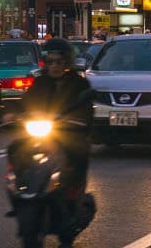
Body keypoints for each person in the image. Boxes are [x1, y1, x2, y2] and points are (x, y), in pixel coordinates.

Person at [16, 37, 96, 209]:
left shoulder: (79, 83)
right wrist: (12, 114)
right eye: (50, 62)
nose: (55, 66)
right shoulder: (40, 82)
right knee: (16, 148)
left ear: (67, 62)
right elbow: (26, 101)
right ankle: (18, 187)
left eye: (59, 62)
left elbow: (86, 110)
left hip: (69, 133)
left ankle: (75, 195)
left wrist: (76, 120)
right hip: (43, 132)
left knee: (77, 153)